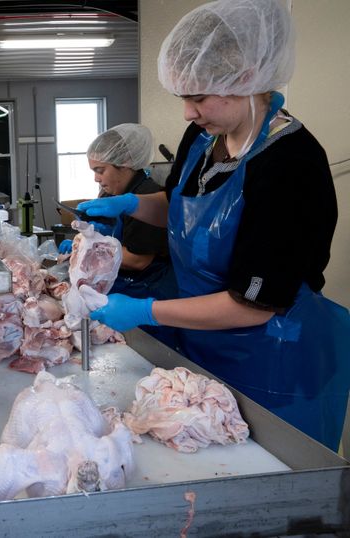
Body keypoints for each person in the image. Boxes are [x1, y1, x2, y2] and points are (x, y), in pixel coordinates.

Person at [78, 0, 350, 450]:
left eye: (198, 97)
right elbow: (184, 208)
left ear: (246, 79)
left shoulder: (290, 165)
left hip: (274, 361)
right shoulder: (205, 138)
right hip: (207, 342)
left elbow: (255, 304)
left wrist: (144, 312)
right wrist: (130, 204)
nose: (187, 112)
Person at [59, 124, 177, 301]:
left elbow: (139, 260)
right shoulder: (110, 193)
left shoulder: (148, 197)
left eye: (100, 171)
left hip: (145, 292)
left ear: (125, 164)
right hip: (118, 285)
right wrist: (84, 239)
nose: (96, 179)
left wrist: (88, 250)